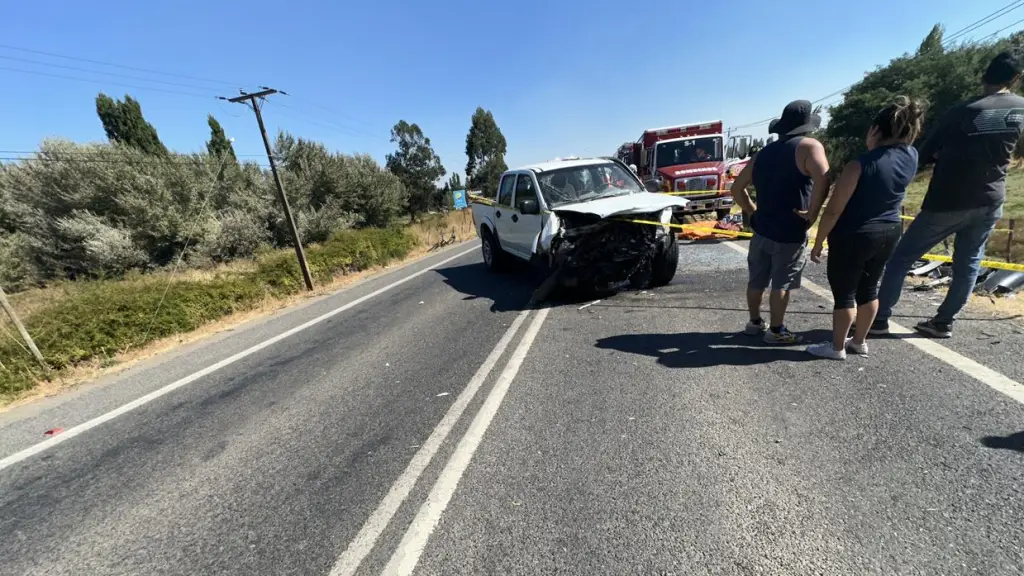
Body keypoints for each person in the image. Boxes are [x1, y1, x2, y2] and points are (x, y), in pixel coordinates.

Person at [871, 48, 1024, 339]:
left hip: (947, 200)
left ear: (983, 74)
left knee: (901, 258)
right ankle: (943, 322)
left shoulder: (965, 111)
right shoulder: (1020, 108)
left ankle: (879, 319)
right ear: (1016, 78)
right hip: (991, 200)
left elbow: (924, 153)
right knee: (968, 263)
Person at [804, 96, 925, 360]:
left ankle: (836, 347)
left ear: (875, 130)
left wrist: (818, 240)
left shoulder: (859, 165)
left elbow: (834, 209)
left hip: (855, 233)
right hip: (890, 229)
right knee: (870, 289)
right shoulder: (912, 156)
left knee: (844, 293)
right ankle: (859, 341)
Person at [731, 100, 831, 344]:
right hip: (791, 229)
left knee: (757, 279)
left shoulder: (762, 154)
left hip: (763, 227)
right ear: (807, 126)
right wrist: (813, 213)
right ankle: (776, 330)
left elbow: (736, 188)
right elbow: (824, 179)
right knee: (782, 282)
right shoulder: (809, 147)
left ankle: (754, 322)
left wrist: (752, 211)